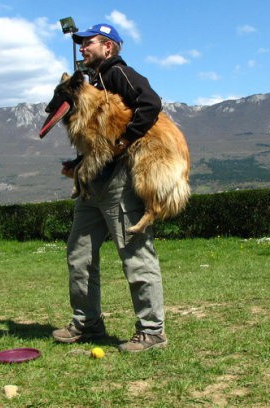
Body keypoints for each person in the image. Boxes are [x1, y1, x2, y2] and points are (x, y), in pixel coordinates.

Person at [51, 23, 167, 352]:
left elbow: (151, 103)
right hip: (93, 184)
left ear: (109, 48)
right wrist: (78, 164)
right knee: (79, 254)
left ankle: (152, 330)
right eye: (81, 44)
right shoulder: (92, 84)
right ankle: (87, 324)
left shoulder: (118, 74)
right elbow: (98, 138)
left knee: (135, 254)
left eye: (88, 43)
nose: (82, 48)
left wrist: (126, 139)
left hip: (119, 183)